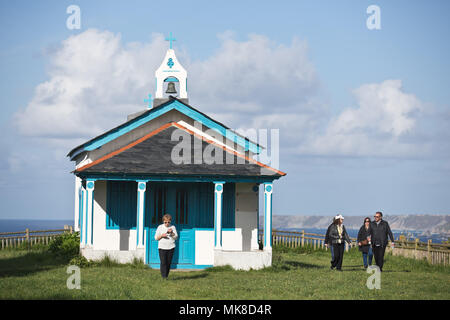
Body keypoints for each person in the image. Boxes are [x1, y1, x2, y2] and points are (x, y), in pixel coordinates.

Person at [155, 214, 178, 279]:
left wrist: (172, 233)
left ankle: (166, 276)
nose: (167, 223)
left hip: (171, 247)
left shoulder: (173, 227)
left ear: (170, 221)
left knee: (168, 263)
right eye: (165, 222)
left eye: (168, 222)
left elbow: (176, 237)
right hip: (162, 247)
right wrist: (162, 236)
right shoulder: (160, 227)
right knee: (163, 262)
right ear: (163, 221)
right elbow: (156, 238)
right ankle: (163, 276)